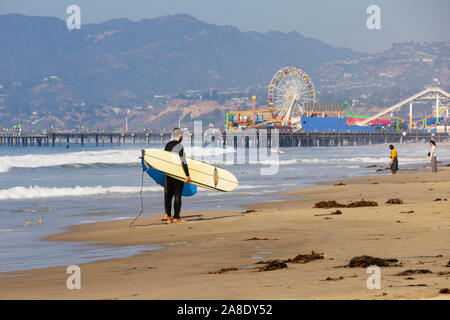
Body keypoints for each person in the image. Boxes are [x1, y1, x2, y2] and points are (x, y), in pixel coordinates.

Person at [163, 128, 191, 223]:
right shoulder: (179, 146)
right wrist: (187, 175)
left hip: (168, 174)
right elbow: (183, 161)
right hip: (177, 174)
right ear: (179, 136)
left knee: (168, 196)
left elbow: (163, 161)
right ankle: (176, 217)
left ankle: (169, 218)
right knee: (177, 196)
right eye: (181, 136)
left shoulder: (167, 145)